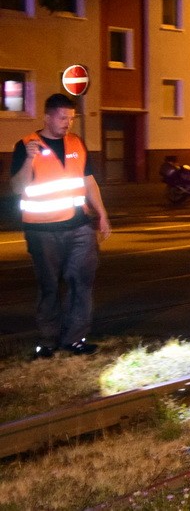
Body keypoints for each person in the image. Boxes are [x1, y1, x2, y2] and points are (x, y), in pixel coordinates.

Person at [9, 93, 111, 358]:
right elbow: (17, 187)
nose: (68, 123)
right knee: (49, 286)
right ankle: (48, 340)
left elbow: (88, 181)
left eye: (72, 118)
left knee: (82, 282)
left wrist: (102, 214)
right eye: (63, 117)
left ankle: (75, 338)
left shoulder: (76, 142)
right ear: (47, 116)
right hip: (43, 230)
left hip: (79, 226)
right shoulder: (26, 145)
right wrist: (30, 159)